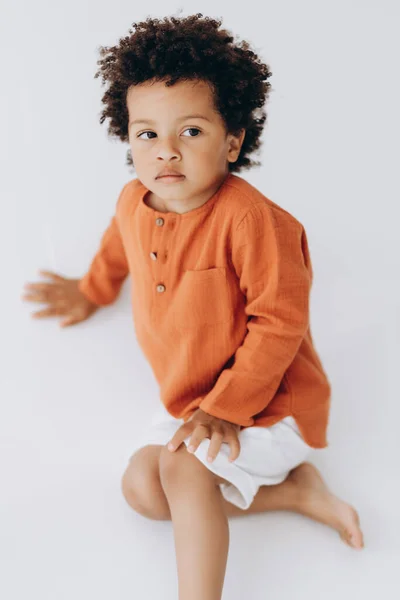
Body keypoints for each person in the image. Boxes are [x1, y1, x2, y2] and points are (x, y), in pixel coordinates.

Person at [21, 12, 364, 600]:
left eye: (193, 132)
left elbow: (280, 324)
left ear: (233, 139)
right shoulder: (136, 200)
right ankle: (296, 495)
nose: (167, 152)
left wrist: (226, 409)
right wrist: (91, 289)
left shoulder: (254, 220)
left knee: (181, 471)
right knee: (141, 490)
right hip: (193, 404)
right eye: (147, 133)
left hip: (268, 407)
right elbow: (118, 247)